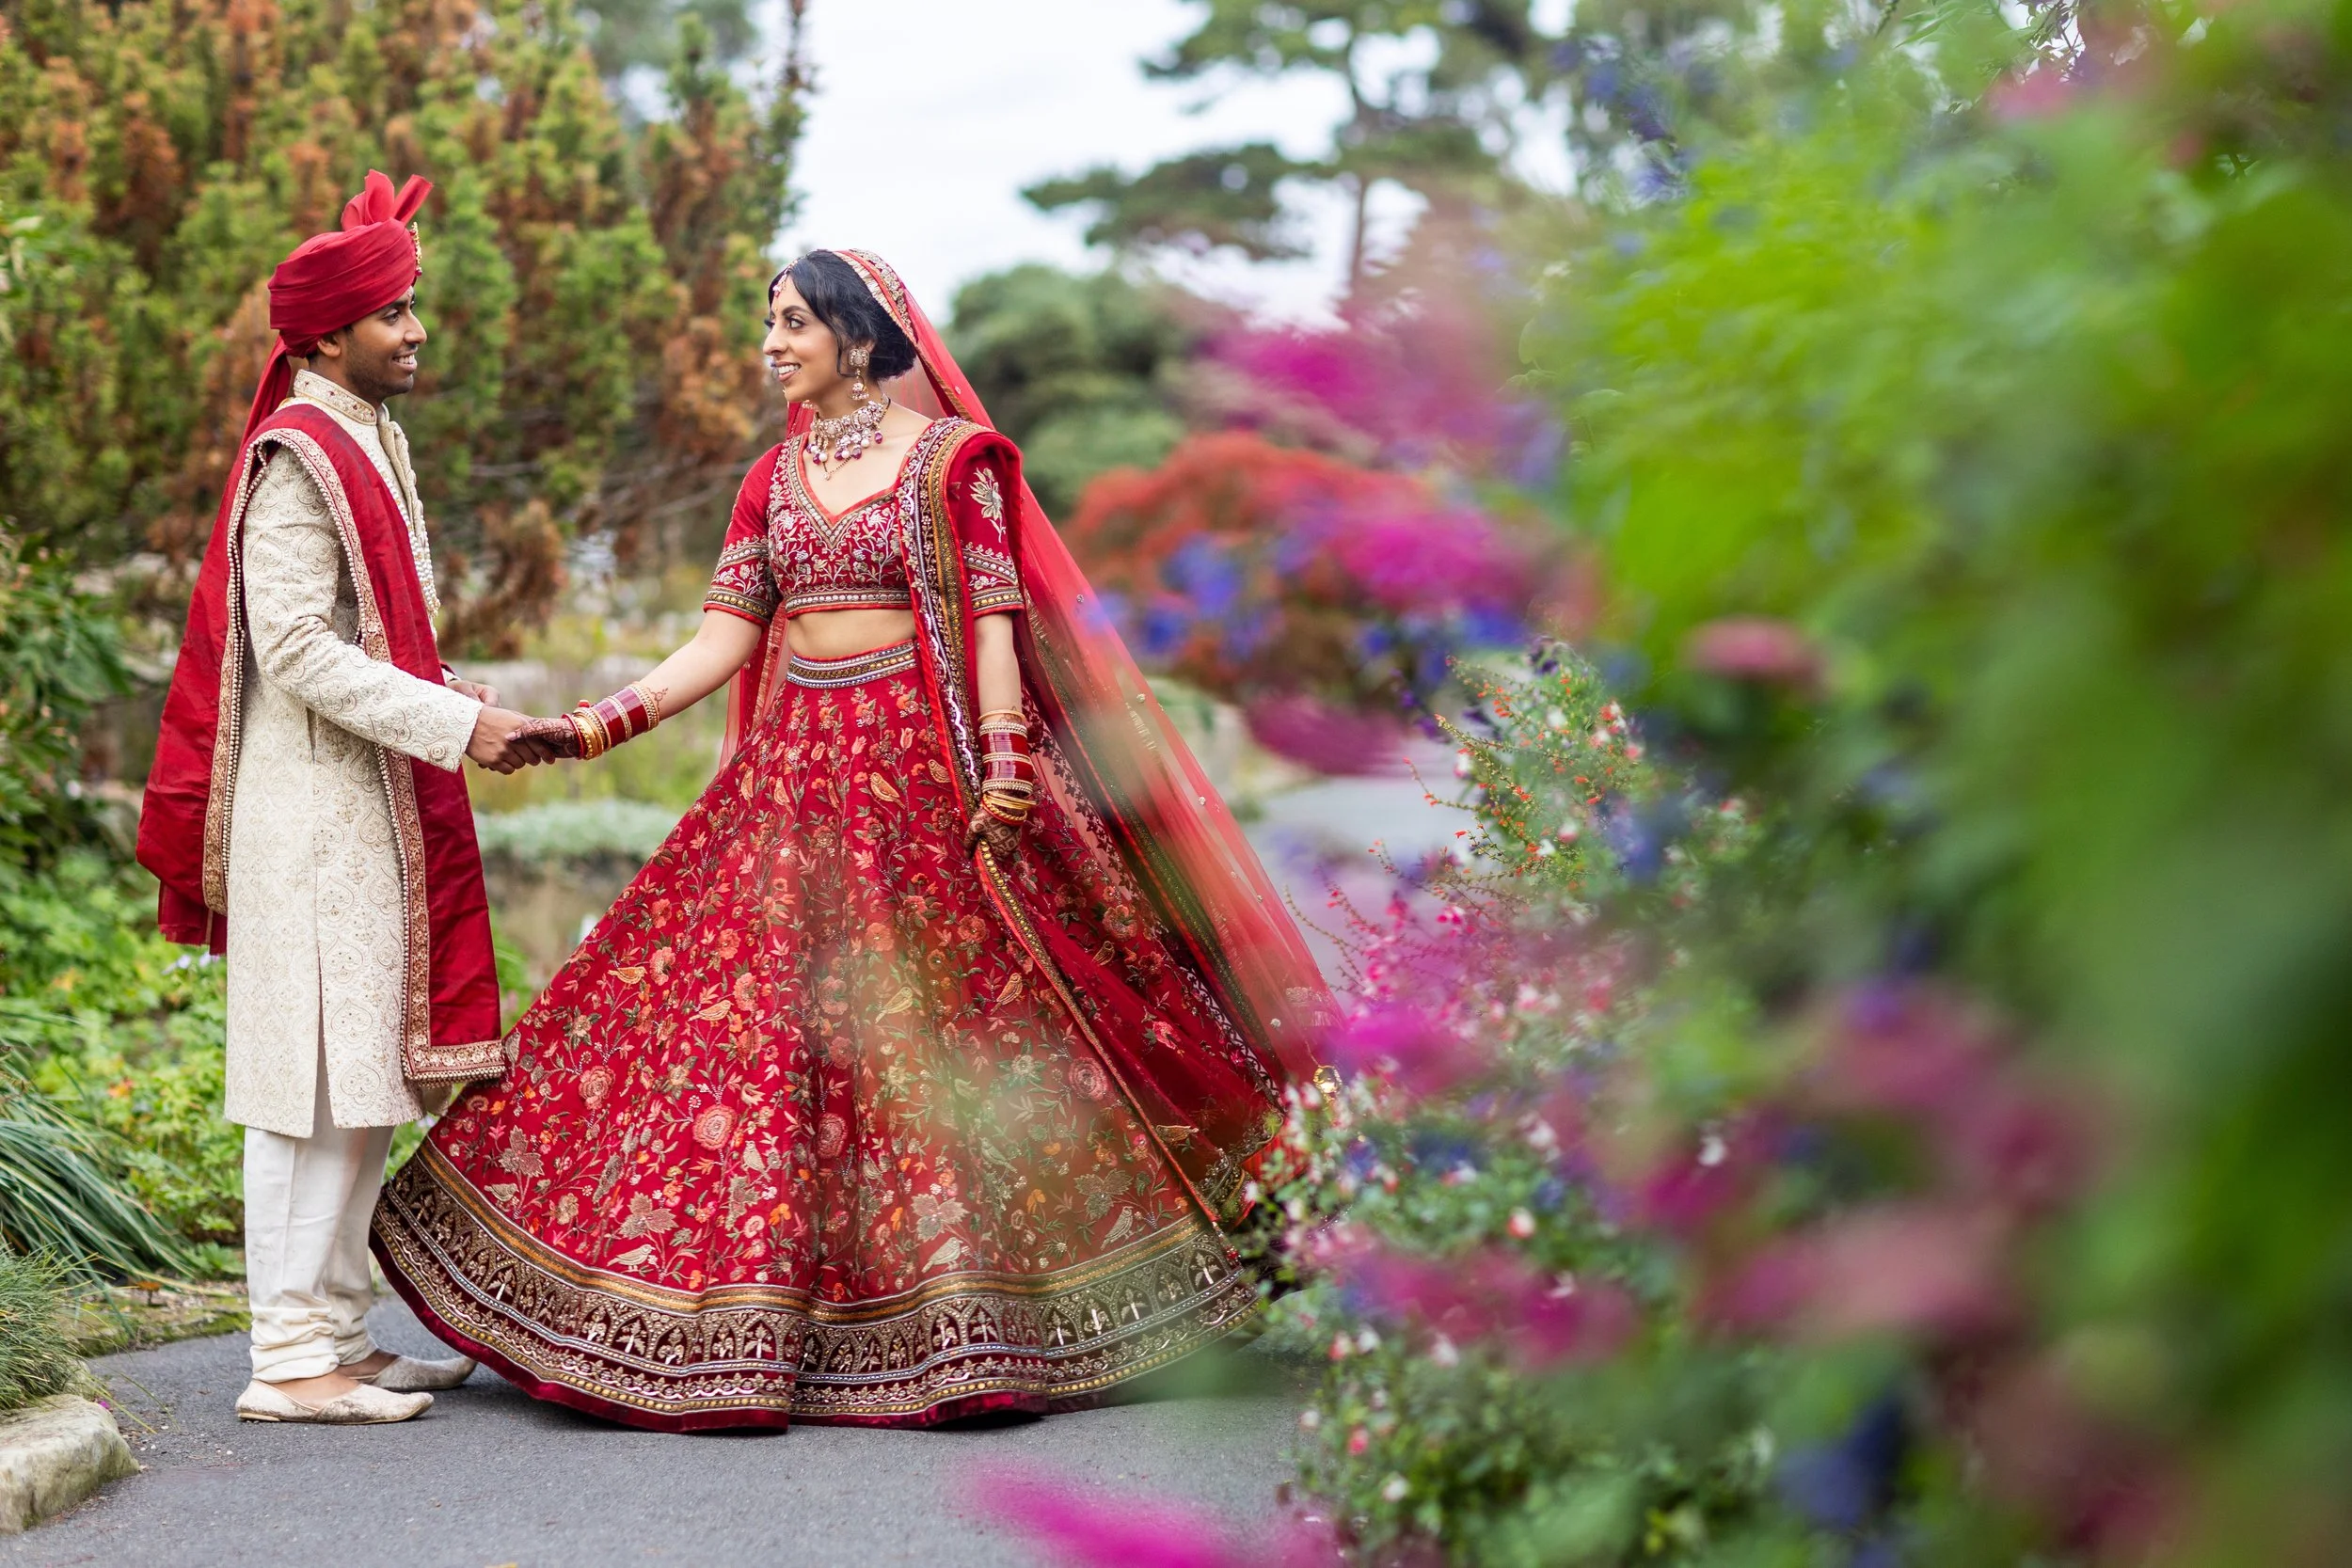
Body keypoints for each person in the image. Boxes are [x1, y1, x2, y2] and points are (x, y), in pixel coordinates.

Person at [372, 248, 1334, 1432]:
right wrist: (586, 729)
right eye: (768, 322)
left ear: (857, 337)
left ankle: (976, 1318)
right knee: (737, 1022)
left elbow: (992, 619)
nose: (771, 343)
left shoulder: (951, 466)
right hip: (791, 778)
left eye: (791, 322)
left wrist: (1006, 762)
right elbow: (720, 642)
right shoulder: (768, 482)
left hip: (921, 775)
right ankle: (749, 1318)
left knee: (928, 1028)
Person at [138, 170, 555, 1425]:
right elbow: (301, 652)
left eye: (415, 306)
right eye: (393, 313)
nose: (416, 330)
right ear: (326, 336)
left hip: (366, 806)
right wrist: (458, 723)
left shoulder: (366, 434)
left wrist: (449, 687)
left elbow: (362, 636)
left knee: (364, 1071)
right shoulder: (297, 457)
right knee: (306, 1083)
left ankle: (337, 1335)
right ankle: (285, 1361)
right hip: (309, 816)